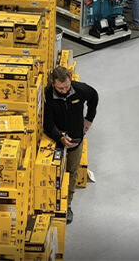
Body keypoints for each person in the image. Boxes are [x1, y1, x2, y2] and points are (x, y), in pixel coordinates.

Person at [43, 66, 98, 224]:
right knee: (54, 174)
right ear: (53, 84)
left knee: (71, 172)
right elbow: (47, 124)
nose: (64, 90)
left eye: (67, 86)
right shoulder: (47, 96)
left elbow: (94, 96)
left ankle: (66, 206)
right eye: (60, 88)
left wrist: (89, 119)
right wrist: (59, 136)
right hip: (54, 141)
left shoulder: (80, 90)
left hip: (75, 139)